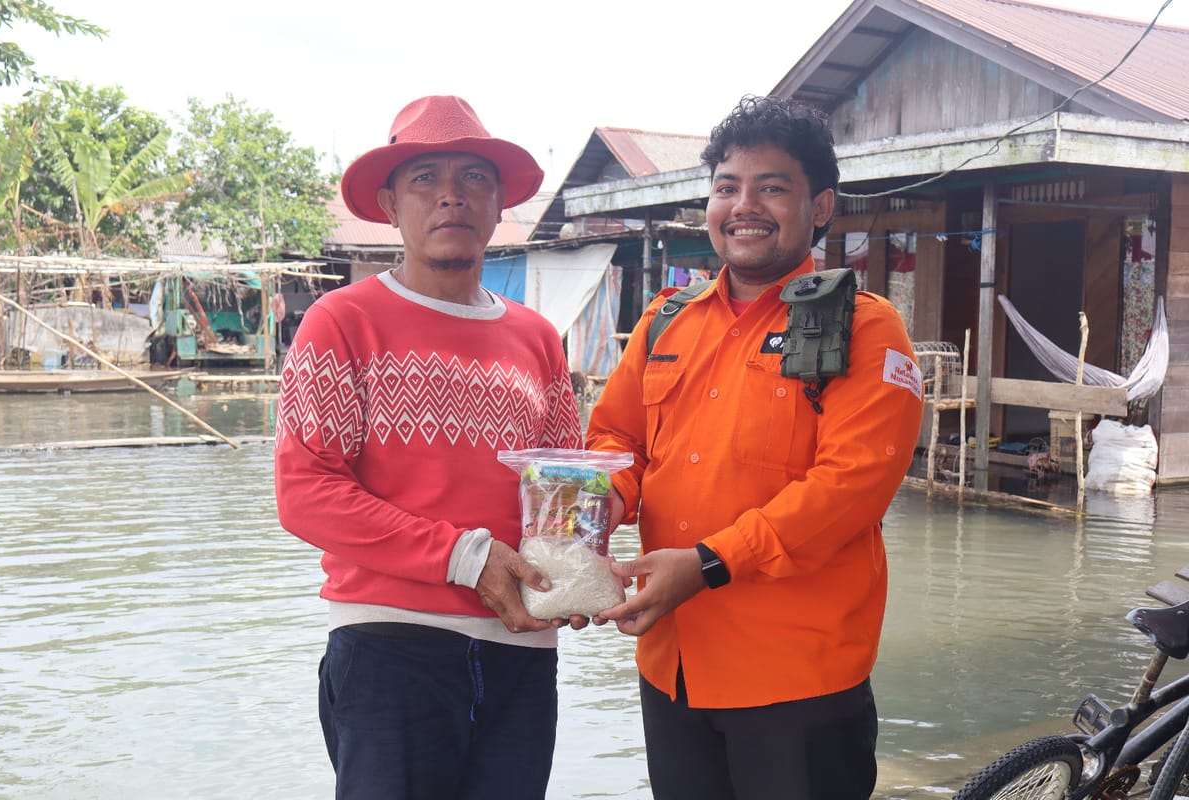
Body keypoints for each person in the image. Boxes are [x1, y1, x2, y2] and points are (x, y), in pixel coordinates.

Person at [585, 95, 925, 800]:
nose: (745, 206)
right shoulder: (665, 320)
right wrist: (596, 512)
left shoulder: (867, 328)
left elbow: (850, 489)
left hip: (796, 677)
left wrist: (709, 564)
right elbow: (617, 439)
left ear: (820, 206)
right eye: (727, 187)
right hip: (671, 660)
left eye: (772, 187)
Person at [274, 95, 584, 800]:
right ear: (389, 204)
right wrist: (464, 556)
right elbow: (305, 493)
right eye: (425, 179)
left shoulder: (537, 338)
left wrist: (577, 570)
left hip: (521, 645)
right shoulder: (341, 322)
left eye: (474, 177)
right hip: (392, 641)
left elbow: (563, 485)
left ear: (500, 200)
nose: (452, 197)